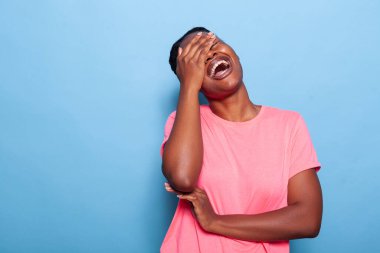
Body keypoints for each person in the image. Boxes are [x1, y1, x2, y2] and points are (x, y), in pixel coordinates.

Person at [159, 26, 323, 253]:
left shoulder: (288, 125)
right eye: (197, 61)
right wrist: (188, 85)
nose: (210, 55)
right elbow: (183, 178)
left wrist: (215, 222)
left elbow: (308, 219)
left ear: (235, 53)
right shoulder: (181, 123)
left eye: (213, 45)